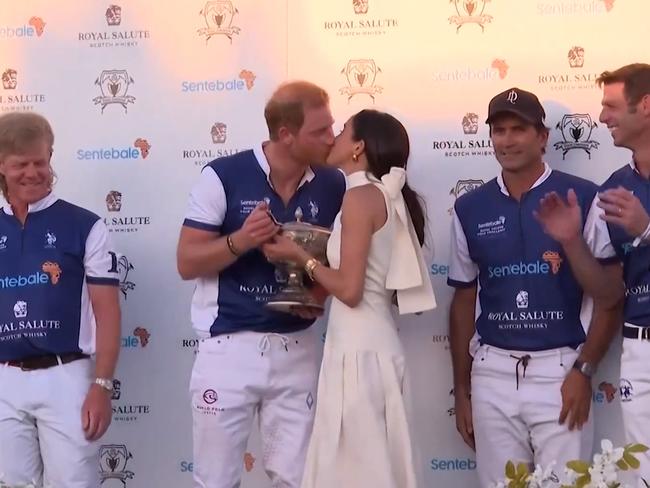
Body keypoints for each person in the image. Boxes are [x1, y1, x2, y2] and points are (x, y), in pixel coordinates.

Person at [447, 87, 624, 486]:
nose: (507, 140)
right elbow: (463, 298)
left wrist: (584, 369)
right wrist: (461, 390)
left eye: (519, 130)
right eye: (499, 131)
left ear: (542, 137)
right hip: (491, 374)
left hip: (561, 372)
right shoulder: (469, 207)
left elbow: (609, 296)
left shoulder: (582, 195)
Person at [176, 81, 346, 488]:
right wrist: (241, 240)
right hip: (229, 345)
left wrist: (317, 294)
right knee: (216, 480)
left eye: (332, 127)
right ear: (285, 134)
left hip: (298, 348)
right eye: (320, 131)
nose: (331, 138)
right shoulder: (224, 175)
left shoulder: (333, 182)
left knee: (300, 478)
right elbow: (186, 262)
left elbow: (342, 260)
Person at [262, 109, 436, 488]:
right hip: (362, 345)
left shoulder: (360, 197)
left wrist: (299, 257)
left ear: (358, 147)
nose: (333, 138)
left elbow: (350, 290)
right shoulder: (374, 195)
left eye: (342, 131)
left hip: (360, 352)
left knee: (360, 470)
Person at [0, 112, 121, 487]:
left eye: (41, 162)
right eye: (21, 165)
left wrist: (102, 386)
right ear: (2, 166)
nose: (33, 173)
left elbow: (108, 313)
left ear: (51, 156)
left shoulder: (85, 225)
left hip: (67, 375)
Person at [596, 63, 650, 486]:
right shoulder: (613, 189)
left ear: (646, 105)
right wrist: (572, 244)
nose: (602, 118)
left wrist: (646, 229)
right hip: (638, 349)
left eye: (611, 106)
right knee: (643, 473)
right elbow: (609, 289)